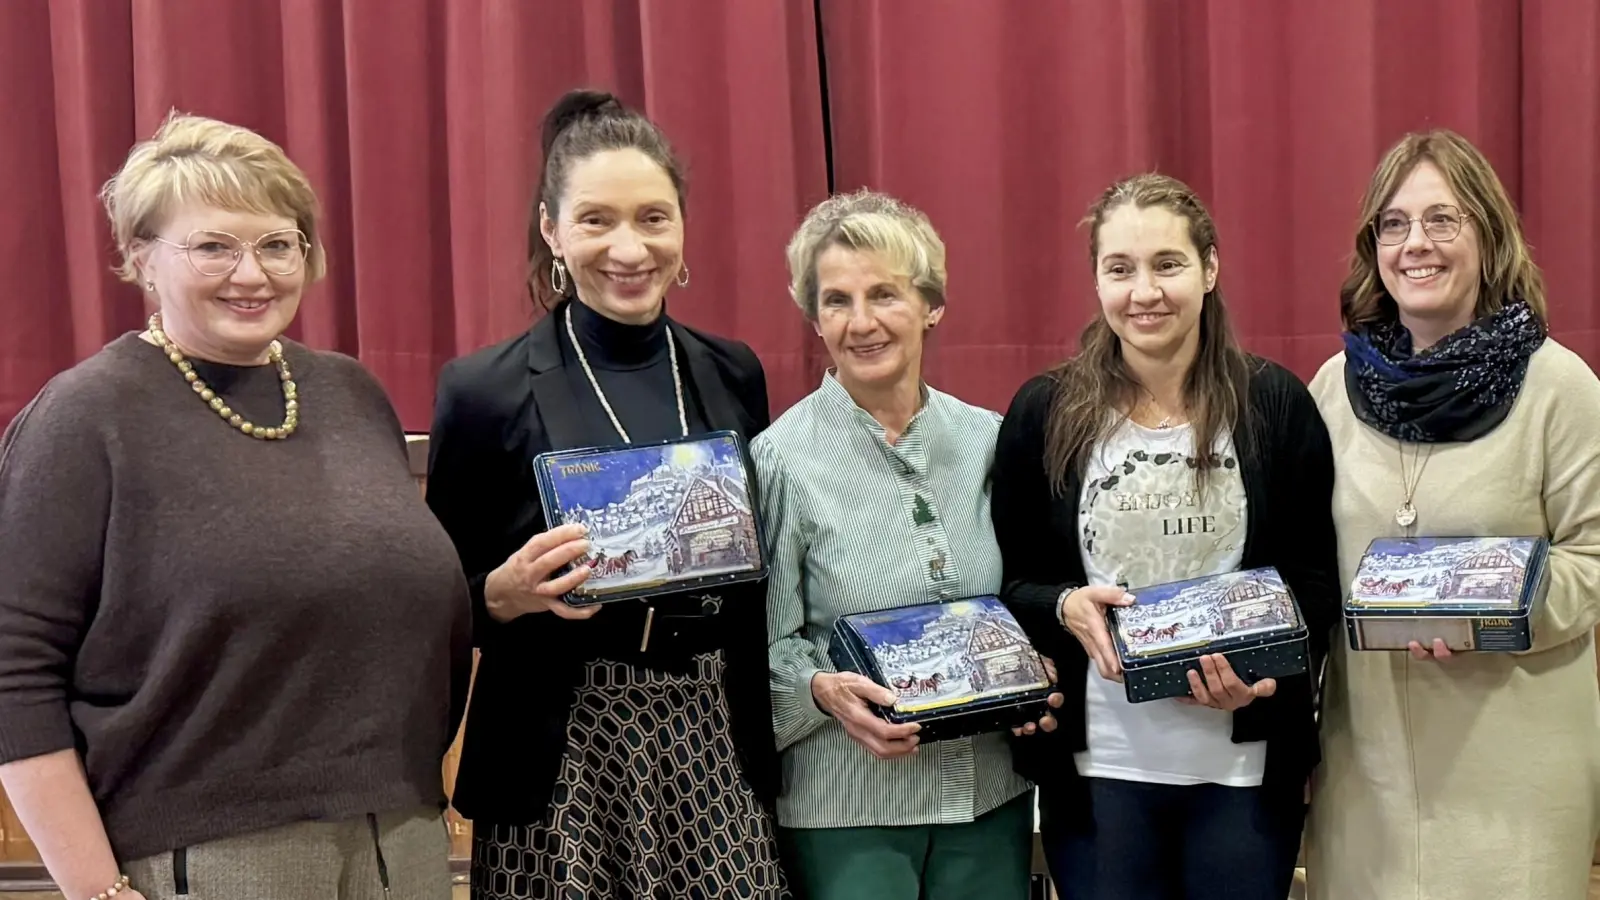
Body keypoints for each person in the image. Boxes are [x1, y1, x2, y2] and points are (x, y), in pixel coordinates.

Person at [0, 112, 471, 900]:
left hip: (402, 838)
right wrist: (94, 889)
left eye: (278, 245)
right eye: (214, 247)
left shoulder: (350, 394)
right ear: (141, 257)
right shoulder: (85, 418)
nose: (252, 274)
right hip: (210, 858)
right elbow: (15, 673)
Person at [424, 89, 786, 899]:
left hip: (712, 732)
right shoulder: (483, 390)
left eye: (653, 218)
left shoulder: (731, 370)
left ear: (682, 228)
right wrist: (503, 595)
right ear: (552, 230)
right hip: (560, 745)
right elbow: (437, 601)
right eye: (596, 220)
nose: (629, 248)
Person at [990, 173, 1341, 900]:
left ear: (1209, 270)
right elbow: (1011, 585)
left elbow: (1314, 585)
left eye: (1168, 264)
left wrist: (1257, 673)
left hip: (1244, 772)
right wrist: (1062, 606)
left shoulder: (1276, 405)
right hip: (1100, 771)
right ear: (1096, 279)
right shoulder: (1044, 412)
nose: (1144, 291)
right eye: (1120, 269)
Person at [1304, 129, 1600, 900]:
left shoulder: (1560, 388)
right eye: (1394, 224)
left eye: (1443, 219)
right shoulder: (1331, 390)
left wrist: (1486, 611)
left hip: (1515, 774)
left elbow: (1594, 556)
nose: (1416, 244)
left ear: (1488, 235)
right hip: (1366, 776)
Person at [758, 189, 1062, 900]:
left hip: (988, 797)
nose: (861, 322)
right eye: (837, 301)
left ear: (931, 305)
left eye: (885, 295)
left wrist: (1038, 665)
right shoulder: (779, 460)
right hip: (848, 808)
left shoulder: (991, 439)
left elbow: (1026, 596)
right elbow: (763, 648)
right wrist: (821, 690)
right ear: (815, 318)